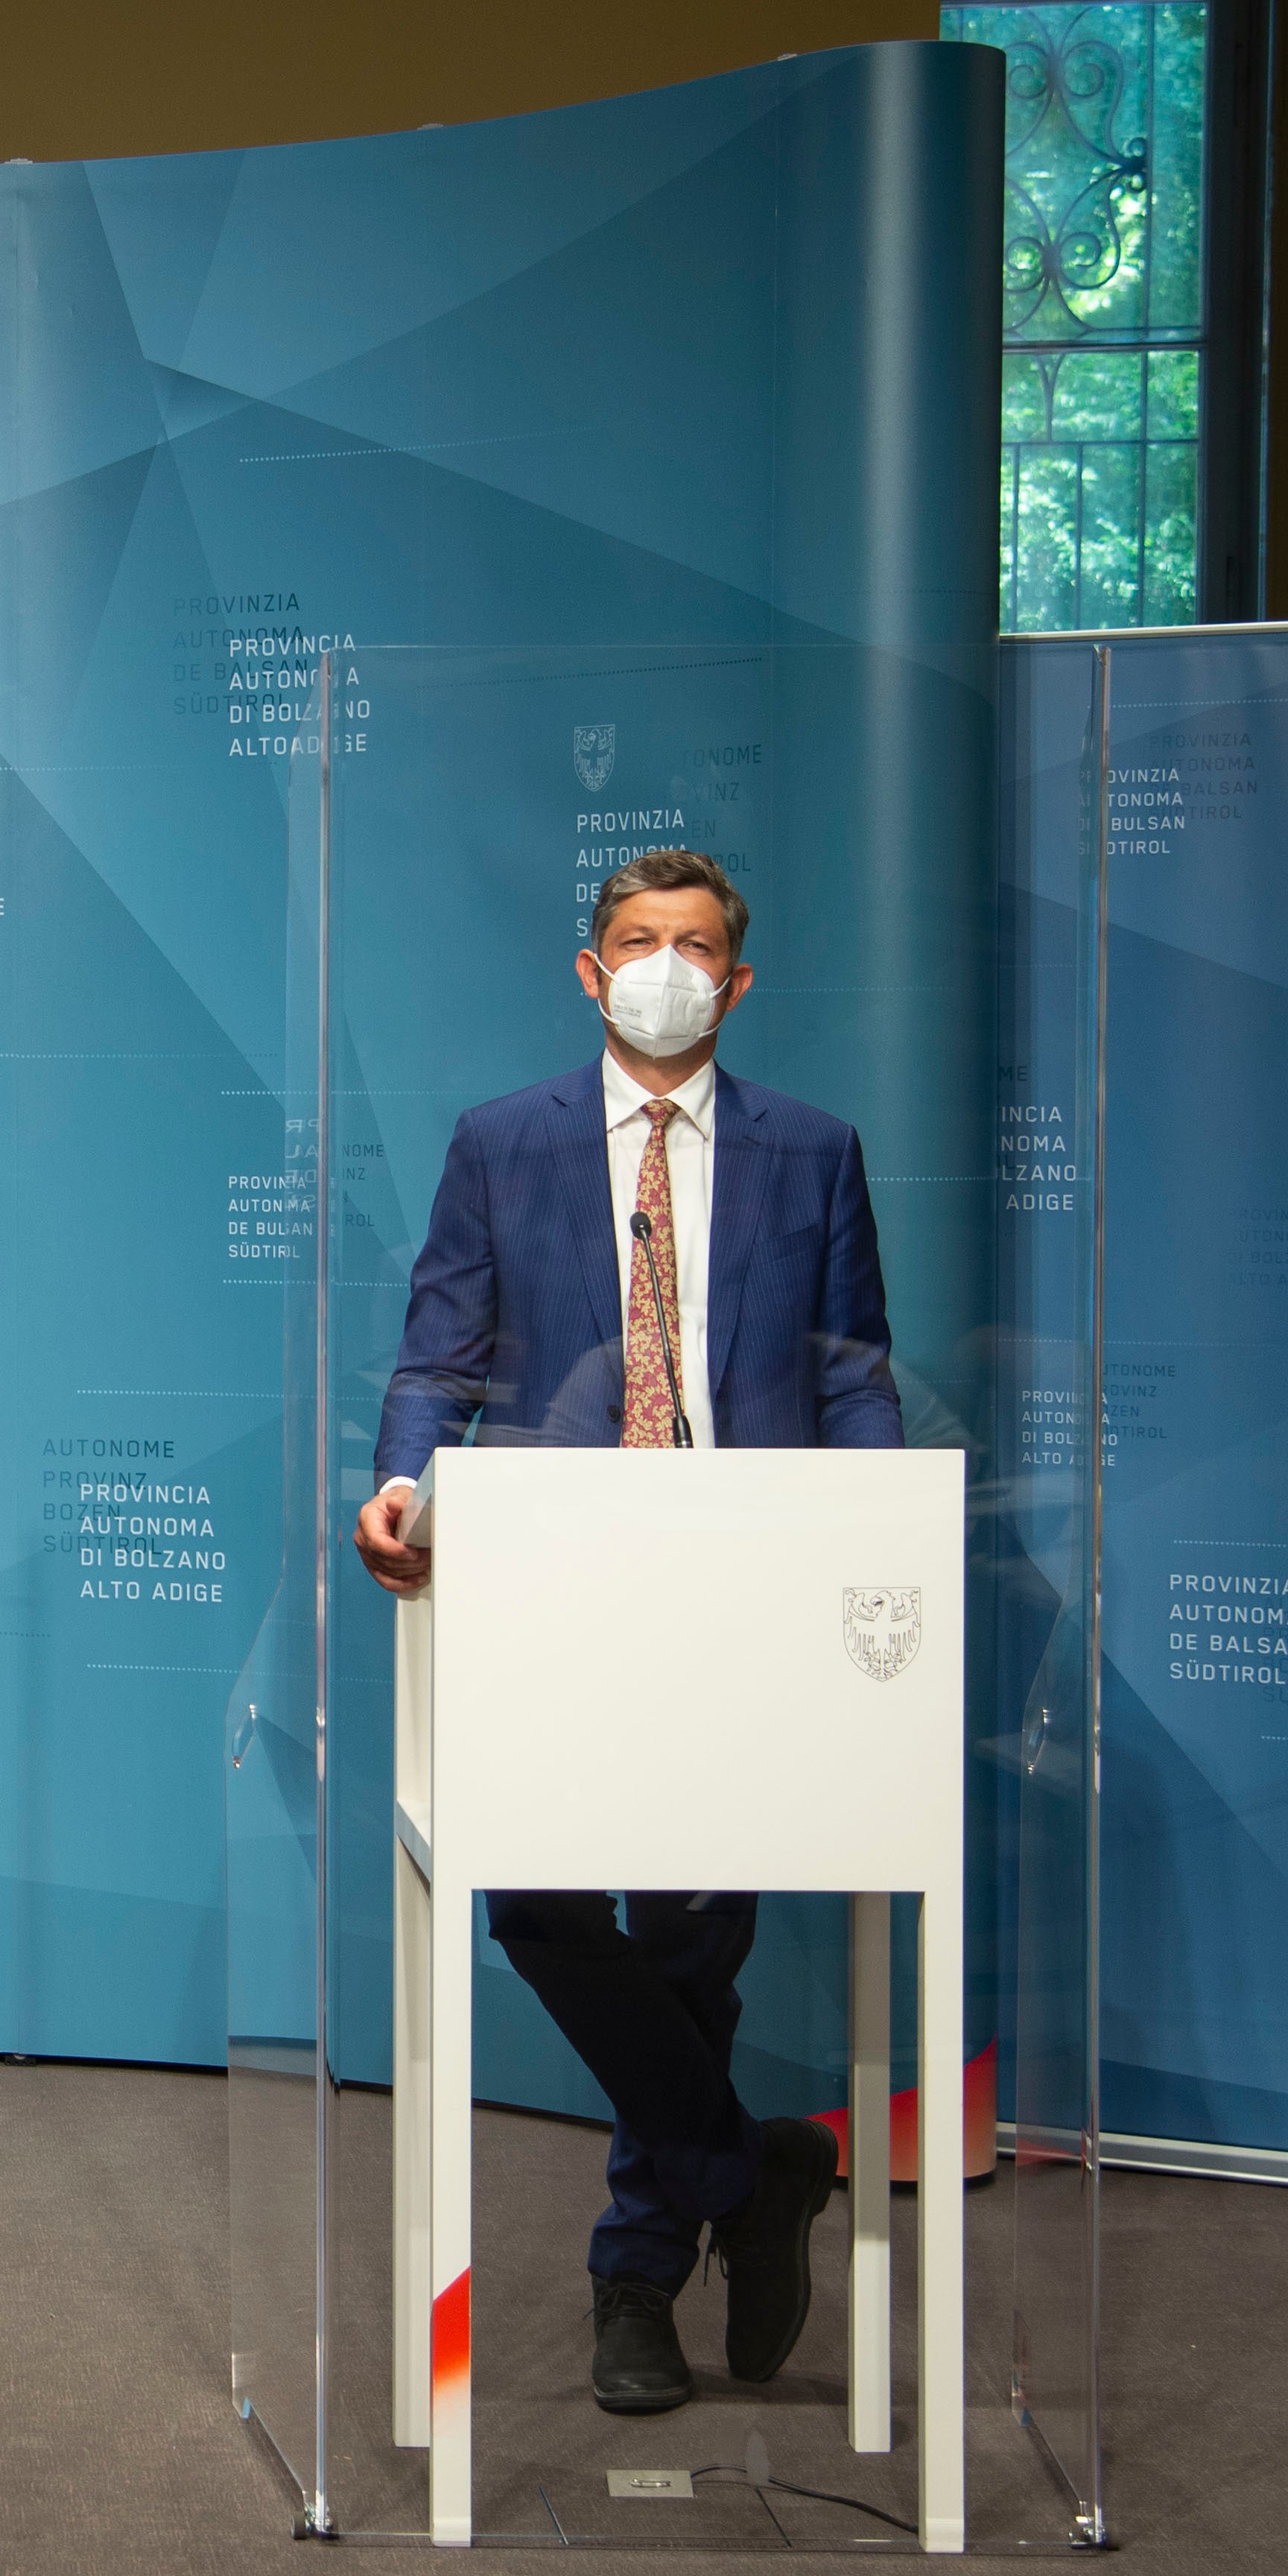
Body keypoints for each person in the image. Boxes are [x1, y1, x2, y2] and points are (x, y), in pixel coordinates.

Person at [355, 847, 901, 2419]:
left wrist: (869, 1523)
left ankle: (633, 2281)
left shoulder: (811, 1152)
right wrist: (400, 1481)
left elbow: (852, 1363)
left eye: (696, 945)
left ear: (736, 983)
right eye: (636, 941)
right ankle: (750, 2170)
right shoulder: (496, 1145)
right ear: (590, 973)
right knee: (528, 1900)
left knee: (686, 1938)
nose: (665, 964)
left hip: (739, 1584)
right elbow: (435, 1352)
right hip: (550, 1576)